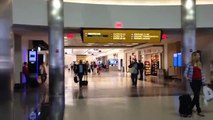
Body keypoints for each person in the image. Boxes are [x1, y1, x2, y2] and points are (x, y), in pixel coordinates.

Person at [184, 51, 206, 117]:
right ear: (194, 56)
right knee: (196, 95)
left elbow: (202, 73)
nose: (199, 56)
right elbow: (185, 73)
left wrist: (204, 81)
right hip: (193, 82)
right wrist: (187, 77)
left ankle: (195, 110)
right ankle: (191, 109)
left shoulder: (199, 63)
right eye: (198, 55)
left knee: (197, 96)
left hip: (199, 81)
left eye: (199, 55)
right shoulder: (190, 64)